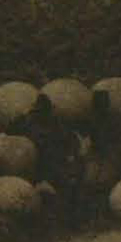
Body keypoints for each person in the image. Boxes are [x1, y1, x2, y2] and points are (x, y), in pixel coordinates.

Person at [7, 94, 84, 229]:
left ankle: (70, 220)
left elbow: (72, 141)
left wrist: (70, 157)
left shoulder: (56, 124)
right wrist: (21, 116)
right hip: (36, 165)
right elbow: (10, 131)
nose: (41, 115)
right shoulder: (29, 123)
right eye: (38, 112)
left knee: (69, 186)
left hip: (54, 164)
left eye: (42, 111)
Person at [84, 91, 121, 222]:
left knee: (102, 182)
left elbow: (120, 143)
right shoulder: (93, 120)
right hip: (98, 154)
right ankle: (96, 214)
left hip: (110, 154)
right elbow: (91, 141)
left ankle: (102, 213)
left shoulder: (112, 120)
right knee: (91, 181)